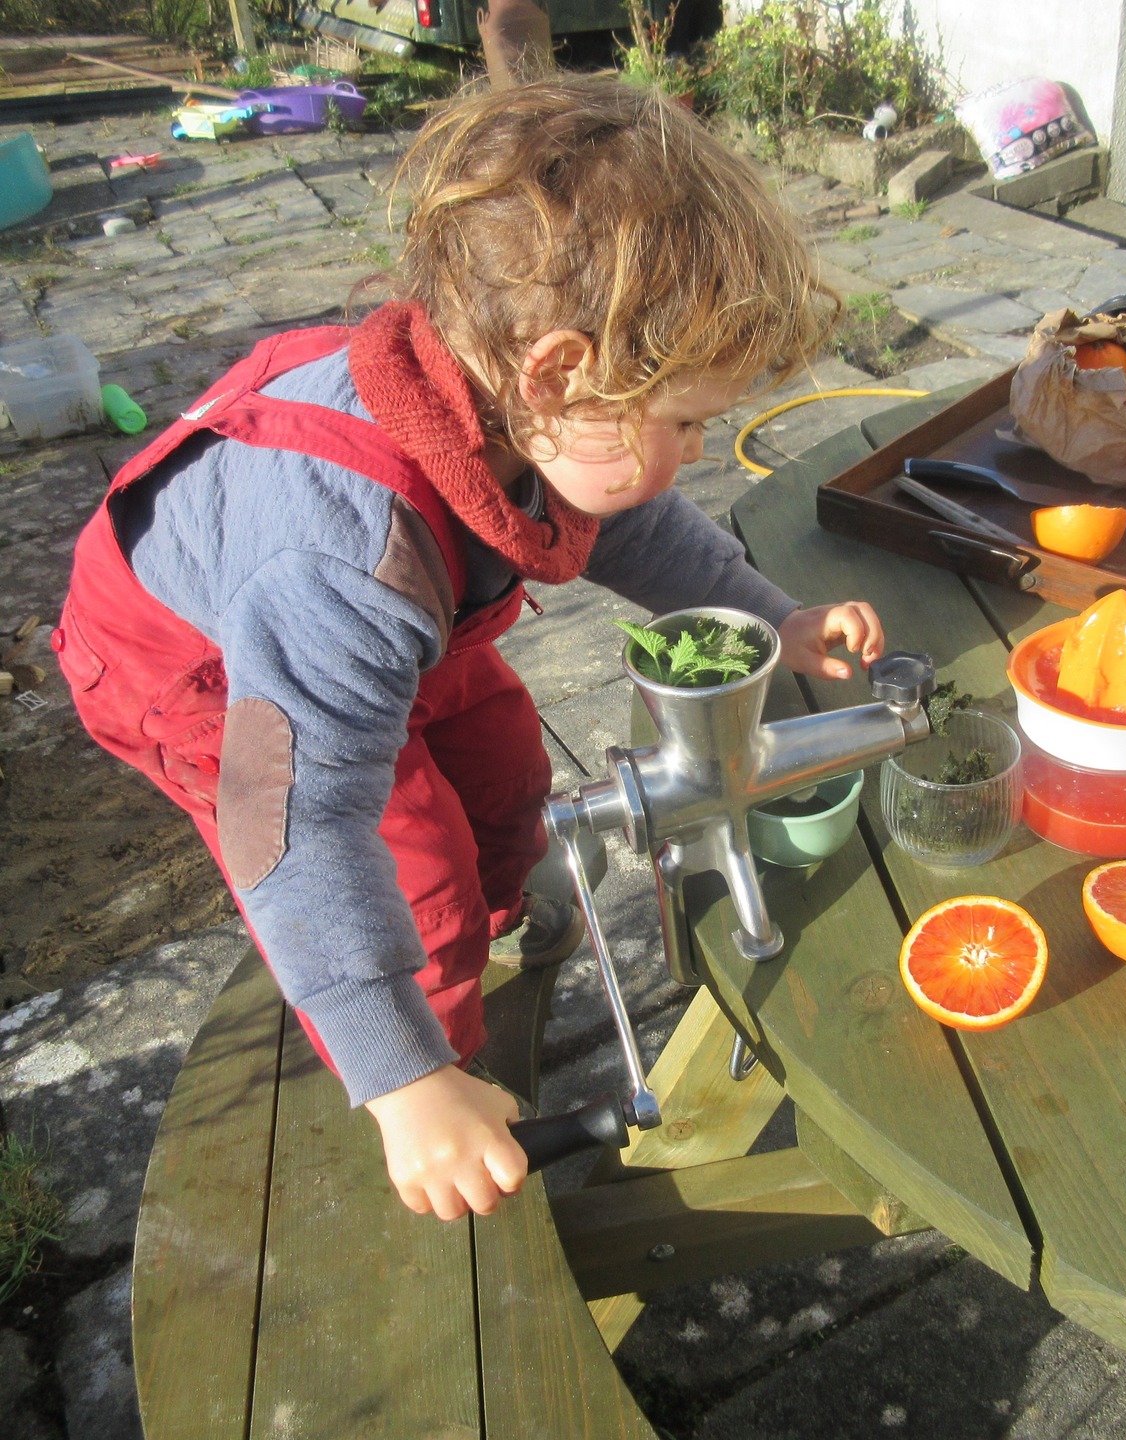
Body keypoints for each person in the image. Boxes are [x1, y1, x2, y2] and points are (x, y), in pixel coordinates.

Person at [55, 75, 886, 1224]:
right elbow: (293, 829)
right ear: (552, 373)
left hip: (394, 620)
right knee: (415, 876)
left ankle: (498, 931)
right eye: (688, 424)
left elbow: (631, 518)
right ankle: (441, 1082)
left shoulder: (528, 415)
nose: (694, 452)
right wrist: (404, 1081)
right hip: (195, 671)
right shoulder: (343, 565)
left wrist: (773, 616)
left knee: (506, 773)